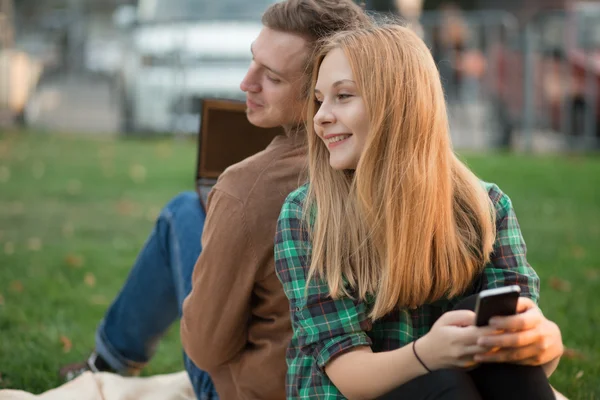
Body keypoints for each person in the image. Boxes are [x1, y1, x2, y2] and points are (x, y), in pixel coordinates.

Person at [59, 1, 372, 399]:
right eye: (253, 61)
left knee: (182, 212)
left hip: (256, 391)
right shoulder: (398, 161)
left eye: (272, 78)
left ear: (319, 90)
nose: (246, 82)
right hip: (377, 380)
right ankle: (109, 359)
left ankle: (105, 364)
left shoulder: (248, 187)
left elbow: (206, 349)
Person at [274, 24, 564, 399]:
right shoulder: (307, 216)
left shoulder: (485, 207)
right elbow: (349, 376)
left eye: (342, 96)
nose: (320, 117)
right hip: (356, 392)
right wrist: (429, 353)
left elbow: (526, 368)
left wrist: (544, 340)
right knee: (445, 380)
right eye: (319, 100)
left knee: (488, 325)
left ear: (399, 103)